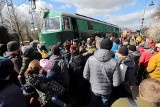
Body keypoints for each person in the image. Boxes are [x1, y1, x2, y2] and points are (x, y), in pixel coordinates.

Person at [83, 38, 122, 107]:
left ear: (100, 46)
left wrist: (92, 81)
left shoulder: (90, 59)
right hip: (106, 90)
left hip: (94, 88)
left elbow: (85, 75)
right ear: (110, 48)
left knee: (93, 103)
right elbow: (116, 83)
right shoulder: (114, 62)